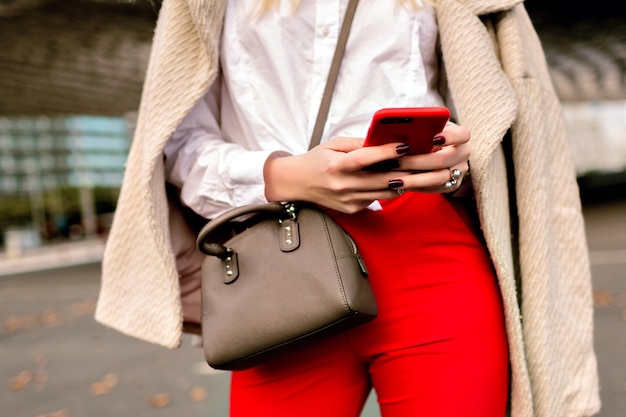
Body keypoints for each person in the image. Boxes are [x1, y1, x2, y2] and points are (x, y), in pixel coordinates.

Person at [95, 0, 600, 416]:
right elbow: (176, 143)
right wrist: (283, 176)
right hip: (280, 274)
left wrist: (451, 165)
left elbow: (499, 124)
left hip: (428, 255)